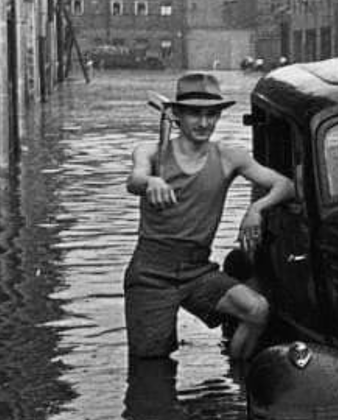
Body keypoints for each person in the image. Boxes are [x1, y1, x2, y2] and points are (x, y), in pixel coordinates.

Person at [124, 72, 295, 362]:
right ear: (177, 115)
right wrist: (151, 183)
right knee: (152, 364)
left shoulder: (230, 157)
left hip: (197, 271)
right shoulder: (151, 152)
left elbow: (285, 185)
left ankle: (237, 380)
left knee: (257, 310)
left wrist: (256, 209)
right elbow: (134, 179)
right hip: (151, 274)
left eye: (211, 114)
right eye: (195, 114)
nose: (204, 123)